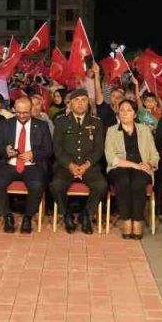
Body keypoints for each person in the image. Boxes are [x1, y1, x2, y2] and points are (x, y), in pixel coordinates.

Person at [0, 96, 53, 234]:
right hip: (10, 163)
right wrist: (5, 151)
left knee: (37, 185)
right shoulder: (6, 124)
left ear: (31, 110)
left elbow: (48, 149)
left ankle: (27, 217)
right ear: (14, 110)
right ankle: (7, 216)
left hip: (32, 165)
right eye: (18, 112)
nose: (22, 116)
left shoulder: (42, 125)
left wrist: (33, 154)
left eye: (25, 113)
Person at [49, 88, 107, 234]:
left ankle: (86, 215)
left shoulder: (96, 122)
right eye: (77, 100)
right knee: (56, 185)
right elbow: (57, 148)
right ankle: (66, 214)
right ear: (70, 103)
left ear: (88, 103)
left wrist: (87, 164)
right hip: (66, 166)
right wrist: (70, 165)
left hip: (89, 166)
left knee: (101, 185)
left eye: (84, 100)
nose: (80, 104)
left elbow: (99, 149)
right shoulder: (61, 122)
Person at [106, 99, 158, 239]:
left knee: (138, 183)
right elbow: (111, 158)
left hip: (142, 168)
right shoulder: (111, 131)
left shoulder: (145, 130)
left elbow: (154, 154)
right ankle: (126, 220)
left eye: (129, 110)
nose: (124, 113)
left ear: (135, 114)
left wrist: (150, 164)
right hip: (119, 167)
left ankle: (137, 220)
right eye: (122, 110)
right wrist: (135, 165)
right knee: (123, 181)